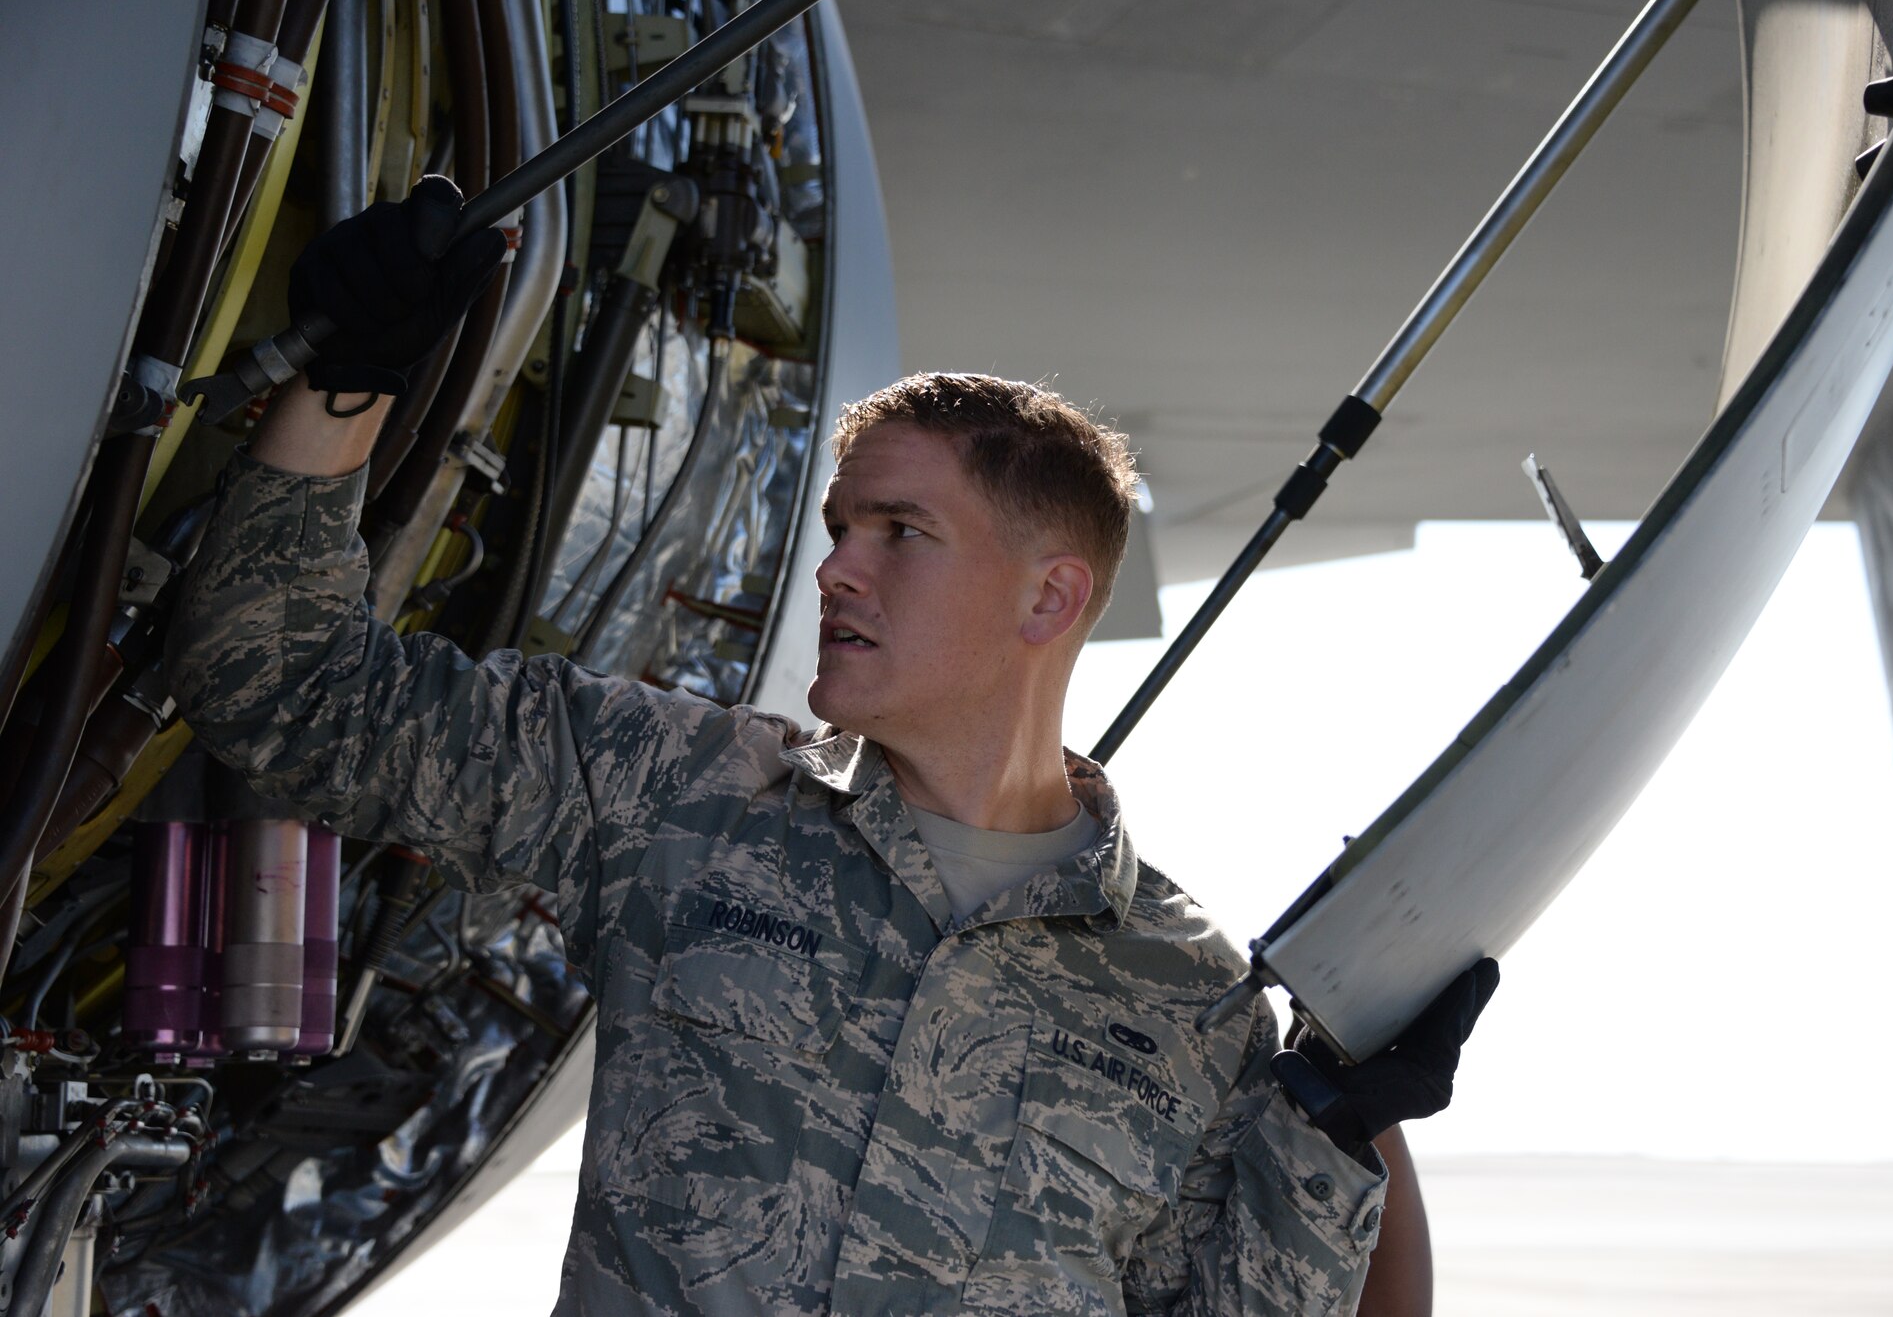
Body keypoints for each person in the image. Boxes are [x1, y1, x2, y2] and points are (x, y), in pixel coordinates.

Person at [165, 177, 1497, 1316]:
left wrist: (1329, 1131)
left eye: (898, 535)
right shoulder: (673, 793)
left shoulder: (1188, 1000)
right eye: (837, 530)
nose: (837, 573)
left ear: (1051, 597)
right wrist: (345, 388)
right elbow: (286, 689)